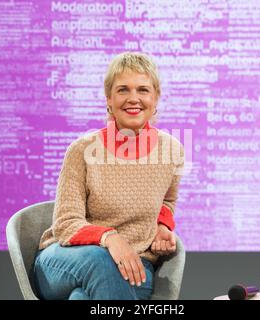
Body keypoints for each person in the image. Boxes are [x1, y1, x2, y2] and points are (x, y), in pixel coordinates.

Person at [32, 52, 185, 300]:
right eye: (123, 90)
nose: (133, 98)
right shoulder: (82, 150)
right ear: (109, 100)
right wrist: (110, 238)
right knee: (100, 260)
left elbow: (167, 200)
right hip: (66, 260)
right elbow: (65, 224)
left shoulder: (171, 150)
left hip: (135, 266)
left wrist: (162, 226)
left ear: (156, 98)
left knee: (81, 298)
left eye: (143, 90)